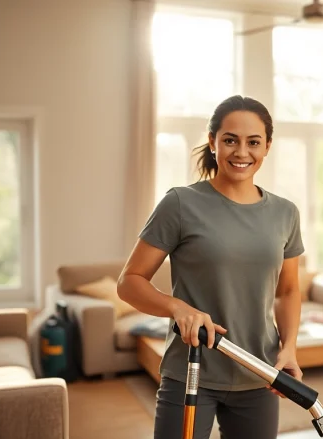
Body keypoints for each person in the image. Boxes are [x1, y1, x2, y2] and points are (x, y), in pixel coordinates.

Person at [117, 95, 304, 439]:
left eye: (253, 142)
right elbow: (129, 281)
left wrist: (288, 347)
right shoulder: (180, 203)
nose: (241, 152)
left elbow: (288, 291)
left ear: (267, 146)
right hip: (191, 371)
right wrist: (177, 308)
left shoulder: (285, 213)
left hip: (258, 372)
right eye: (230, 140)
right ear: (213, 141)